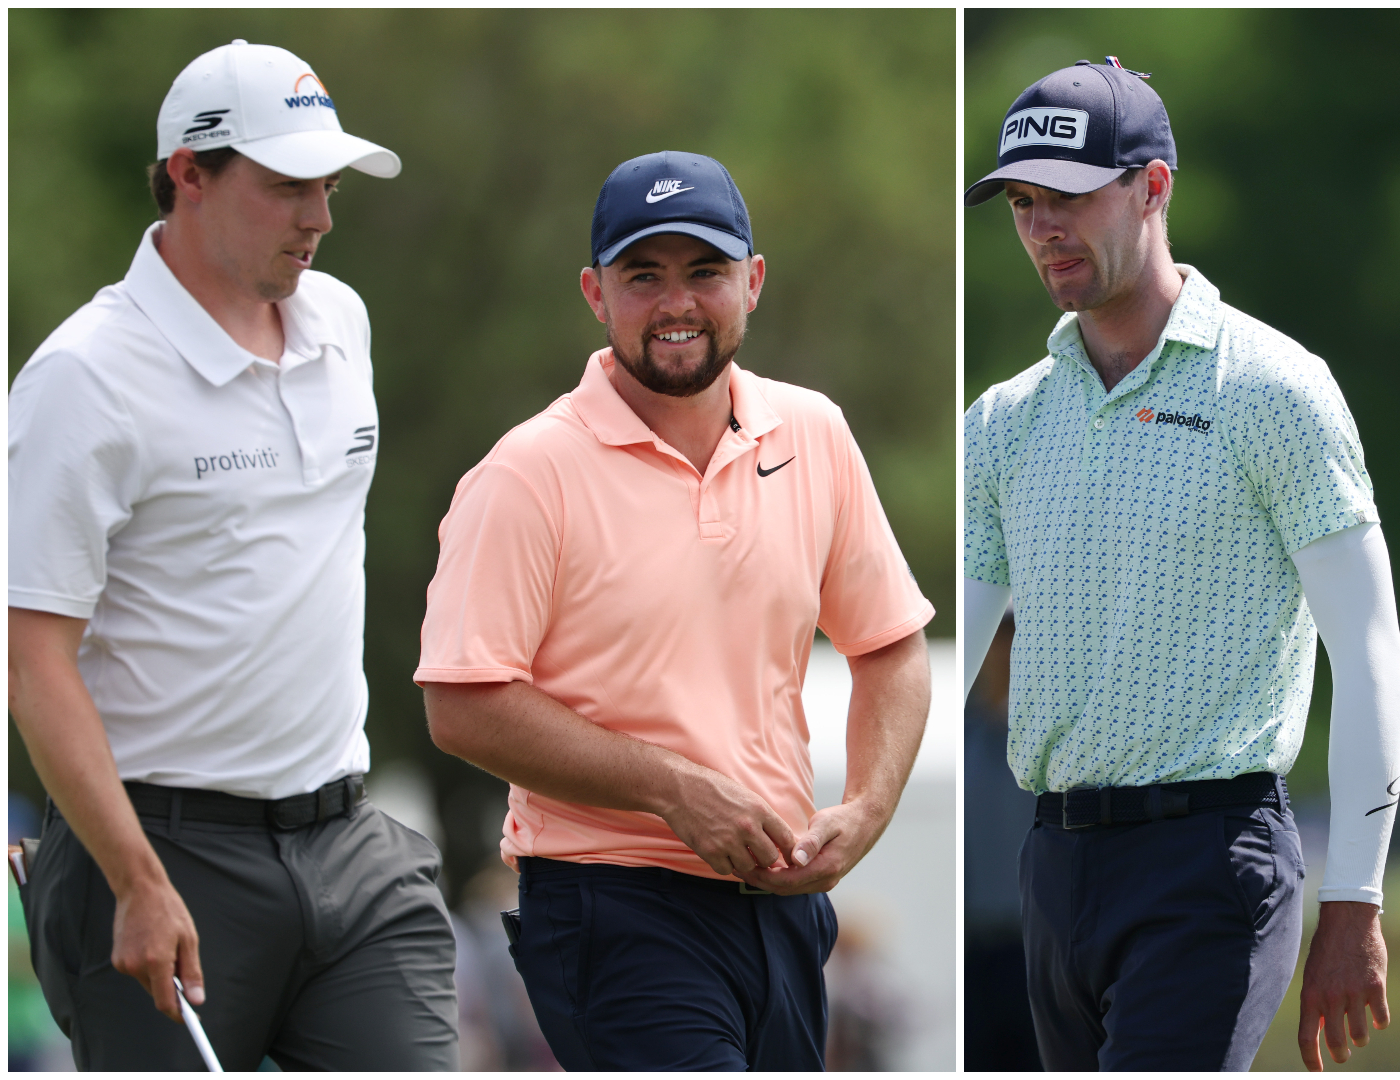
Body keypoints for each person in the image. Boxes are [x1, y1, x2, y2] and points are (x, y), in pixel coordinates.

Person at [417, 149, 935, 1071]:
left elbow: (890, 645)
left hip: (781, 906)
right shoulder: (528, 474)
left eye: (704, 272)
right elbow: (463, 702)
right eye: (642, 276)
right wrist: (672, 789)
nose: (676, 303)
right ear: (595, 293)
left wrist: (868, 805)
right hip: (609, 901)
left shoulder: (812, 432)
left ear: (754, 281)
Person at [8, 40, 459, 1070]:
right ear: (187, 174)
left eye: (330, 185)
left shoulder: (342, 319)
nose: (320, 217)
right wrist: (133, 879)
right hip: (160, 859)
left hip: (351, 845)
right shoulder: (83, 377)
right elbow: (31, 663)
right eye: (288, 186)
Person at [961, 58, 1400, 1072]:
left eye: (1068, 198)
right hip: (1054, 866)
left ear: (1153, 186)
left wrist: (1356, 898)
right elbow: (950, 651)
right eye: (1024, 204)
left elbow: (1372, 653)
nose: (1042, 229)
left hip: (1208, 860)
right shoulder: (1001, 422)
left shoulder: (1273, 388)